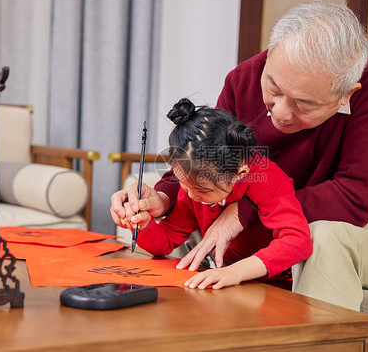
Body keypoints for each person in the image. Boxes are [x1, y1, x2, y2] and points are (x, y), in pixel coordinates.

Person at [111, 1, 368, 310]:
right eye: (273, 89)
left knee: (325, 236)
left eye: (305, 104)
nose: (281, 114)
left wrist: (244, 211)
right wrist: (163, 196)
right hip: (272, 224)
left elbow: (354, 200)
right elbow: (208, 153)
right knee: (197, 218)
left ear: (346, 95)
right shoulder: (243, 78)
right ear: (270, 57)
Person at [115, 98, 312, 289]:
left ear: (239, 174)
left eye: (202, 190)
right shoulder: (193, 187)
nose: (191, 196)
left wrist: (235, 272)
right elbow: (167, 239)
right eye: (184, 184)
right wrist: (143, 225)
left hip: (274, 283)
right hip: (225, 277)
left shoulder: (268, 178)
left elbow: (297, 241)